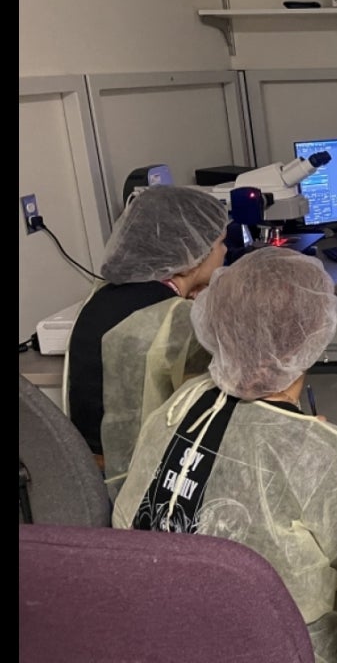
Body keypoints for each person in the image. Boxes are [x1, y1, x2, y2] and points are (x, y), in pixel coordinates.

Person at [112, 246, 337, 663]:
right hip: (276, 646)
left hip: (152, 628)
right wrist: (313, 450)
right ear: (315, 336)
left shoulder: (177, 405)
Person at [65, 185, 229, 490]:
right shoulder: (174, 316)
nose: (224, 251)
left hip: (84, 464)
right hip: (139, 472)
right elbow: (207, 409)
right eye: (220, 243)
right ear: (193, 254)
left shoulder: (99, 298)